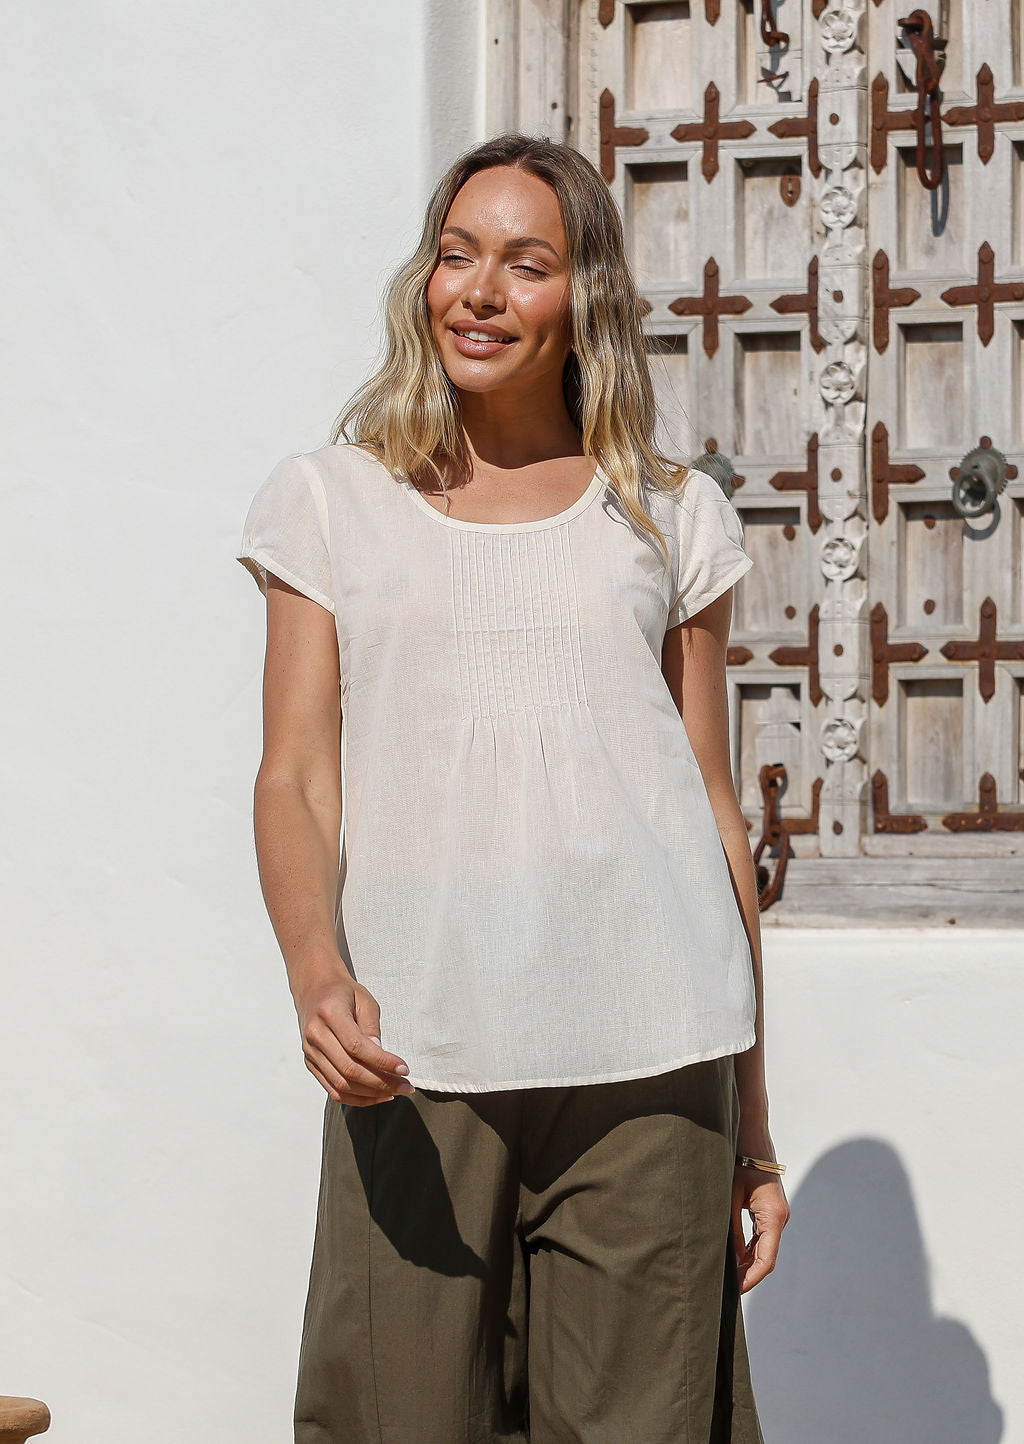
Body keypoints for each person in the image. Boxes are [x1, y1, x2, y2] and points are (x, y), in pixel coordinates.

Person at [236, 131, 790, 1444]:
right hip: (416, 1047)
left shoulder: (667, 512)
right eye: (457, 254)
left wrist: (755, 1125)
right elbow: (296, 776)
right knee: (394, 1419)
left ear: (583, 295)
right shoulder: (333, 502)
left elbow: (712, 809)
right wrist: (318, 974)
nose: (478, 291)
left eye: (524, 264)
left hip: (655, 1050)